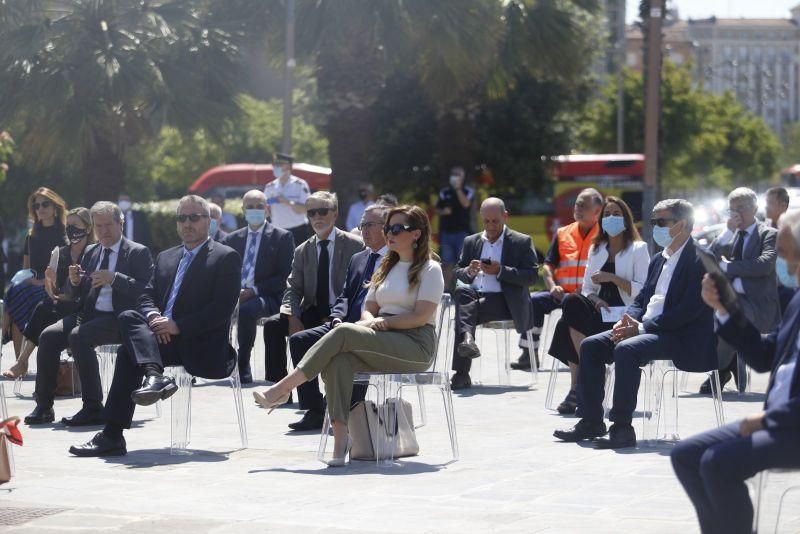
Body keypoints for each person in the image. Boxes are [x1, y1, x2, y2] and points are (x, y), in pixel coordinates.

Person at [254, 205, 444, 467]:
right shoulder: (386, 267)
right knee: (338, 360)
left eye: (397, 228)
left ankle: (284, 388)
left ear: (417, 234)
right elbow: (368, 308)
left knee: (342, 330)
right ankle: (341, 440)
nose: (389, 232)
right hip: (381, 336)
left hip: (415, 344)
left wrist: (381, 324)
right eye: (388, 227)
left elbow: (420, 316)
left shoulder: (430, 269)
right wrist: (369, 322)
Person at [68, 195, 241, 457]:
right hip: (158, 336)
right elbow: (146, 295)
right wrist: (152, 318)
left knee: (128, 352)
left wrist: (176, 326)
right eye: (182, 218)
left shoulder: (225, 257)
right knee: (128, 316)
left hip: (198, 343)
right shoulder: (166, 257)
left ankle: (114, 432)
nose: (187, 224)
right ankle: (153, 377)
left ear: (208, 221)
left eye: (194, 217)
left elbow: (221, 310)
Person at [671, 209, 800, 534]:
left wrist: (768, 420)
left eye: (786, 255)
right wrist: (724, 309)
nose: (783, 265)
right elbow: (764, 355)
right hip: (780, 424)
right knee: (686, 455)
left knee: (719, 463)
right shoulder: (798, 301)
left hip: (790, 425)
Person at [553, 199, 716, 449]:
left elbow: (690, 310)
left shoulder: (701, 259)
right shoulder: (660, 258)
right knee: (591, 345)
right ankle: (591, 421)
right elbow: (642, 298)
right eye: (653, 222)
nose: (655, 228)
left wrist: (640, 328)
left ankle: (621, 428)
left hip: (680, 335)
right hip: (647, 327)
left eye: (661, 222)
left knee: (626, 349)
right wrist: (629, 319)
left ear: (681, 224)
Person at [23, 202, 154, 426]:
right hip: (89, 314)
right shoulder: (92, 251)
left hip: (120, 318)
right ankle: (44, 405)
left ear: (120, 224)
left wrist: (114, 278)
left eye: (108, 225)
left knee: (78, 336)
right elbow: (75, 294)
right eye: (99, 226)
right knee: (48, 336)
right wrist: (74, 282)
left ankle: (93, 407)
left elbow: (146, 290)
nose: (103, 231)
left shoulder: (137, 252)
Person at [286, 202, 390, 430]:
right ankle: (314, 410)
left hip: (374, 327)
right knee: (299, 340)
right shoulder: (359, 259)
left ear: (387, 227)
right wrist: (336, 318)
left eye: (370, 224)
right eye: (362, 225)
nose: (364, 229)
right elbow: (344, 296)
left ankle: (351, 409)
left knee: (349, 349)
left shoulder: (397, 260)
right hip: (343, 323)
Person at [547, 197, 650, 414]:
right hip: (600, 312)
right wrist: (596, 300)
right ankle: (588, 379)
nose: (611, 218)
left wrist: (612, 278)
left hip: (625, 317)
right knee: (571, 302)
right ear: (601, 220)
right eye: (607, 214)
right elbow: (586, 289)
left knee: (565, 325)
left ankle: (579, 387)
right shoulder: (596, 249)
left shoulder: (639, 249)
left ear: (626, 219)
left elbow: (643, 291)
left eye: (616, 214)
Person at [261, 192, 363, 393]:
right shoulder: (302, 250)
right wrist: (292, 316)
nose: (317, 217)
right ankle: (281, 391)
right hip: (314, 310)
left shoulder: (354, 245)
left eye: (323, 211)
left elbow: (361, 286)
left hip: (345, 314)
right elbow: (293, 288)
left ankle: (313, 407)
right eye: (312, 213)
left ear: (334, 214)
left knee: (302, 340)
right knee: (273, 325)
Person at [449, 198, 538, 390]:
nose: (490, 226)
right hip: (475, 297)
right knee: (465, 297)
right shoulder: (471, 241)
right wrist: (469, 271)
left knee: (462, 315)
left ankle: (461, 372)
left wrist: (500, 271)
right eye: (486, 221)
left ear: (505, 217)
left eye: (495, 221)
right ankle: (468, 340)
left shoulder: (521, 241)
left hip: (505, 301)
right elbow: (457, 272)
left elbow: (531, 276)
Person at [511, 188, 603, 371]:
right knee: (534, 301)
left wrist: (585, 290)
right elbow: (548, 265)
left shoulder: (604, 237)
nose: (577, 208)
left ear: (597, 211)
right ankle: (528, 354)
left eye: (583, 205)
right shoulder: (562, 233)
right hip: (561, 293)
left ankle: (585, 354)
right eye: (576, 204)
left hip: (589, 297)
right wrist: (552, 286)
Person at [699, 187, 779, 395]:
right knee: (712, 313)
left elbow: (765, 265)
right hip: (730, 299)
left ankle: (720, 368)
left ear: (754, 208)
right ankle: (728, 363)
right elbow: (706, 257)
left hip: (758, 304)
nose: (736, 214)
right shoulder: (729, 235)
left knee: (730, 316)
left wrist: (727, 267)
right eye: (731, 210)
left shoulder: (768, 234)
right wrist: (727, 232)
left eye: (741, 209)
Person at [3, 208, 95, 379]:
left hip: (87, 308)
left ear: (88, 228)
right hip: (64, 306)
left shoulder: (96, 252)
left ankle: (22, 362)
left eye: (75, 225)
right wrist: (49, 280)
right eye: (68, 225)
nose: (70, 229)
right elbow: (51, 294)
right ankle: (23, 362)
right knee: (44, 306)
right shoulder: (59, 252)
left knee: (43, 309)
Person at [222, 190, 294, 383]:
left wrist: (253, 291)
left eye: (259, 207)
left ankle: (243, 361)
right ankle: (218, 359)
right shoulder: (232, 239)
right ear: (243, 210)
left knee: (247, 309)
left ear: (267, 210)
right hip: (235, 294)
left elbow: (284, 276)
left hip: (268, 297)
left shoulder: (282, 237)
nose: (255, 211)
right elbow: (224, 273)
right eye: (250, 207)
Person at [4, 187, 67, 357]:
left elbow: (64, 270)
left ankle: (4, 341)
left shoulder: (64, 234)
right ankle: (19, 361)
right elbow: (27, 269)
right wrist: (29, 281)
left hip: (55, 285)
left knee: (15, 297)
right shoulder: (31, 235)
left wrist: (42, 282)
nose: (41, 208)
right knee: (14, 292)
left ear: (55, 207)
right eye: (36, 205)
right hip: (34, 282)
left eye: (45, 204)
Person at [436, 166, 475, 290]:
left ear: (463, 177)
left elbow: (466, 204)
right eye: (453, 174)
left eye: (458, 174)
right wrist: (443, 211)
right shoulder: (444, 192)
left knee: (463, 263)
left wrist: (458, 188)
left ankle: (463, 289)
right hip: (447, 233)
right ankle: (445, 290)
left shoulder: (468, 191)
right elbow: (438, 209)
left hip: (462, 233)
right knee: (447, 263)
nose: (455, 176)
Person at [264, 153, 312, 246]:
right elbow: (266, 211)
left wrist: (287, 202)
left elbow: (306, 209)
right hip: (277, 230)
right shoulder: (270, 187)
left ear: (289, 166)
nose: (275, 167)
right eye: (274, 165)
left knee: (299, 259)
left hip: (298, 230)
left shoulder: (300, 185)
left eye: (279, 164)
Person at [765, 187, 795, 313]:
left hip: (788, 293)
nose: (766, 207)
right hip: (769, 295)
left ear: (783, 206)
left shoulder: (793, 231)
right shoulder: (765, 229)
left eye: (770, 203)